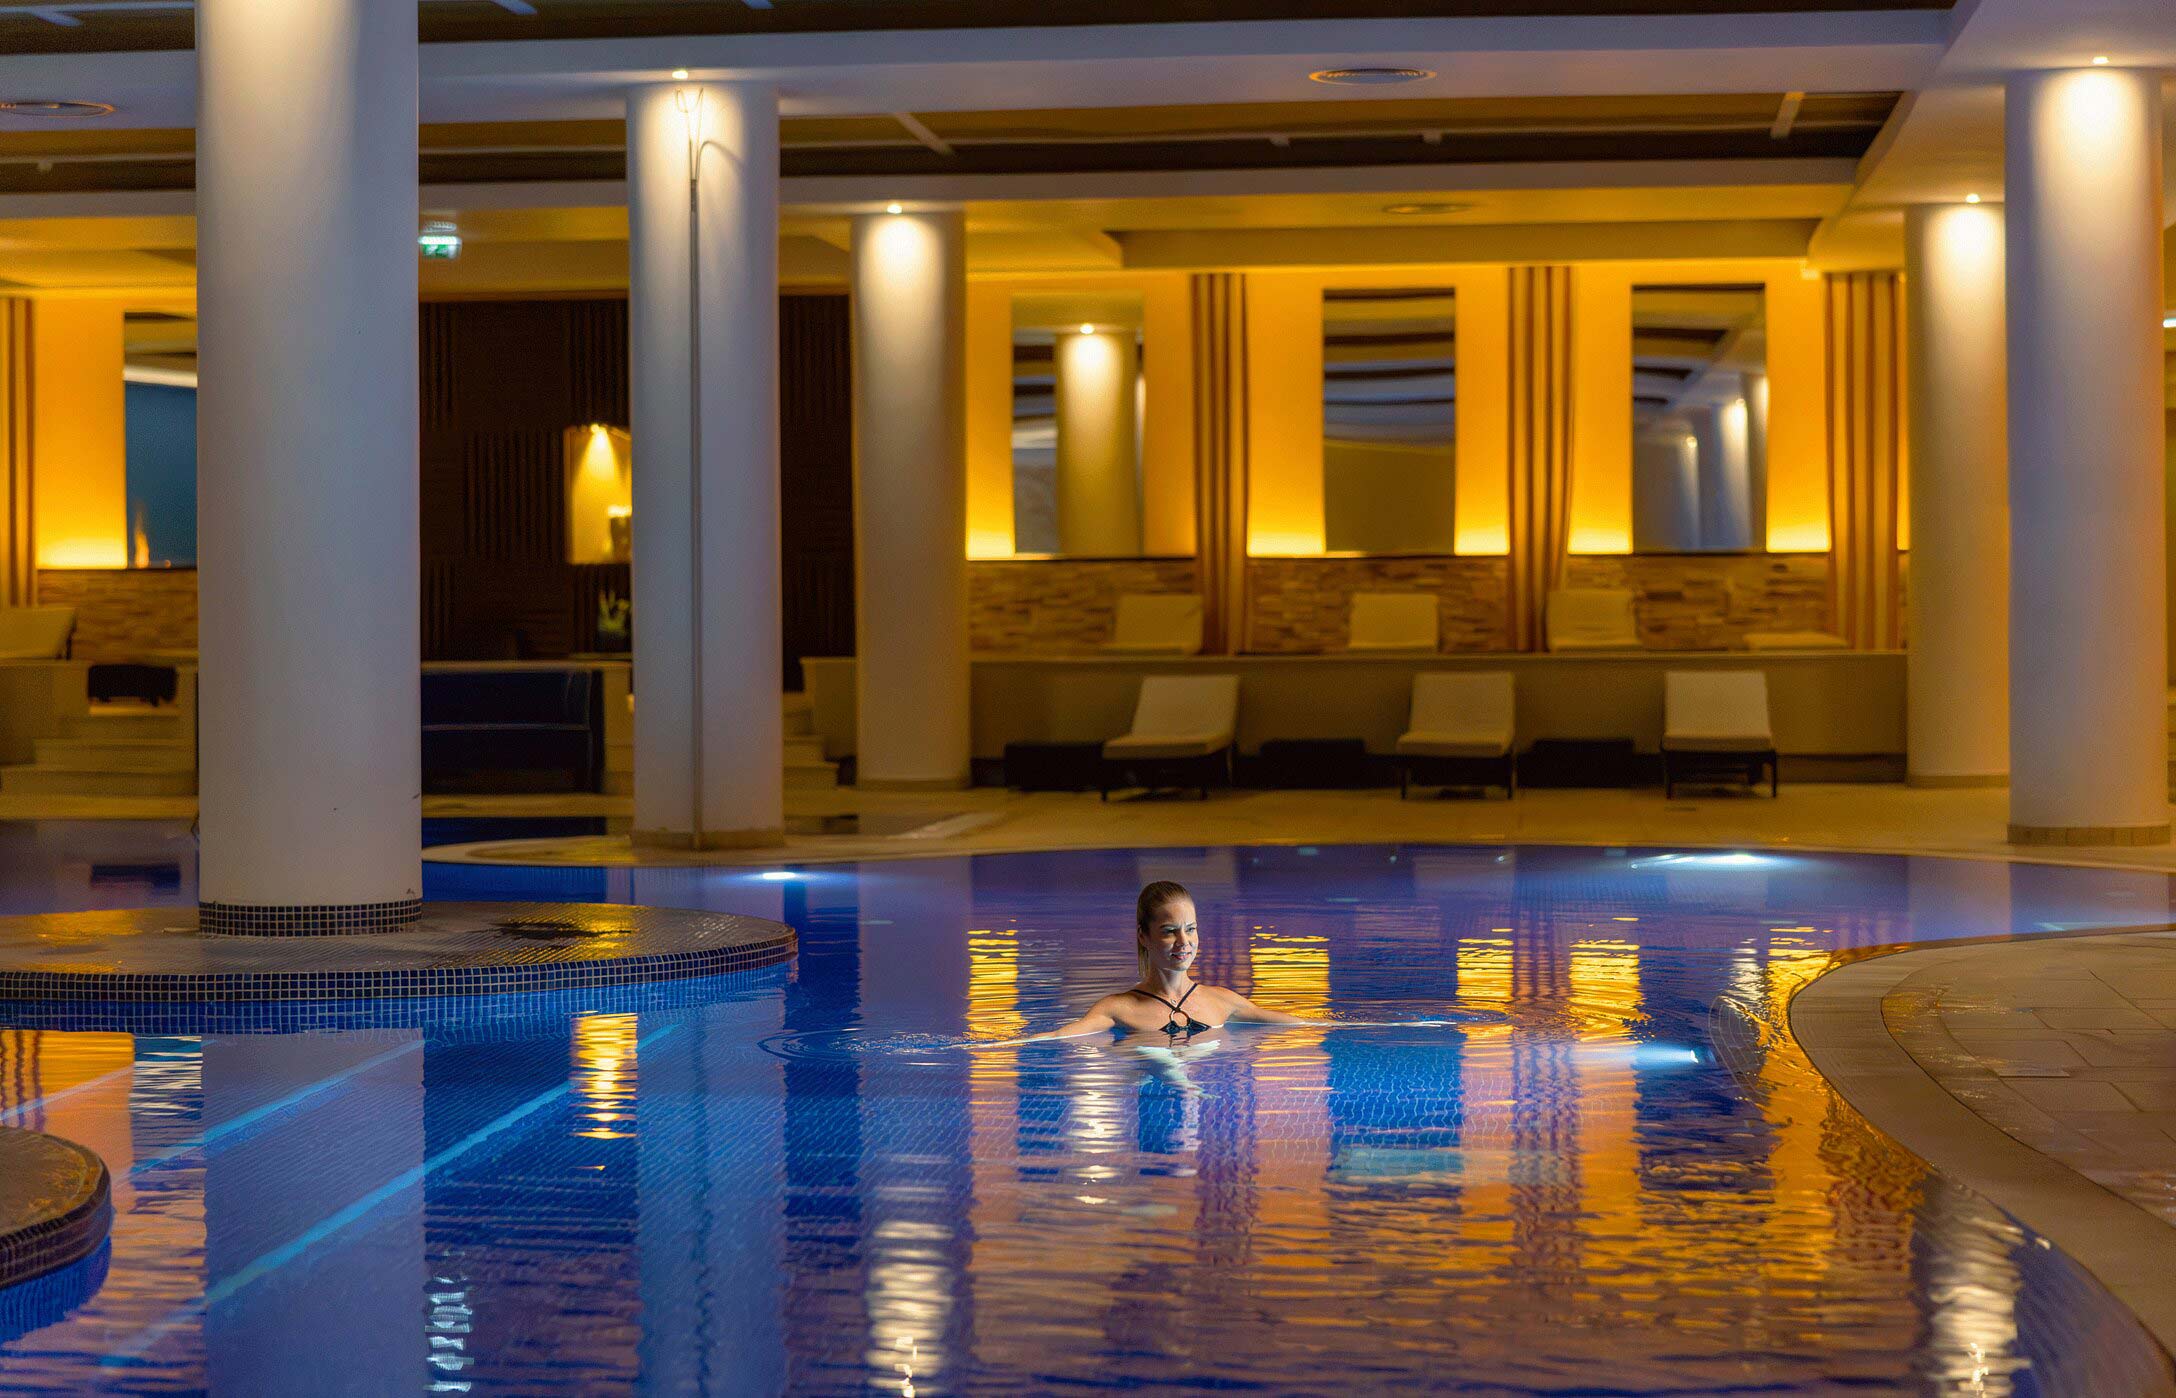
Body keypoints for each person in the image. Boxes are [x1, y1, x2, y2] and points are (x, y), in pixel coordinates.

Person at [1030, 879, 1307, 1040]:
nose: (1184, 943)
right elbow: (1059, 1037)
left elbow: (1299, 1024)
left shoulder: (1222, 1001)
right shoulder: (1118, 1008)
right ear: (1143, 936)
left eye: (1190, 929)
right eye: (1169, 932)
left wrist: (1348, 1028)